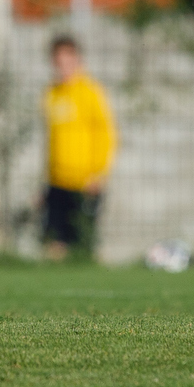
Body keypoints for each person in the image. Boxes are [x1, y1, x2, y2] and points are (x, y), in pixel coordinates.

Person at [42, 36, 116, 261]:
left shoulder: (90, 92)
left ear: (77, 60)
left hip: (85, 181)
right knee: (54, 241)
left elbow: (106, 135)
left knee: (82, 241)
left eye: (67, 60)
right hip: (57, 181)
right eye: (58, 61)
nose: (63, 66)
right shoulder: (51, 94)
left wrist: (98, 173)